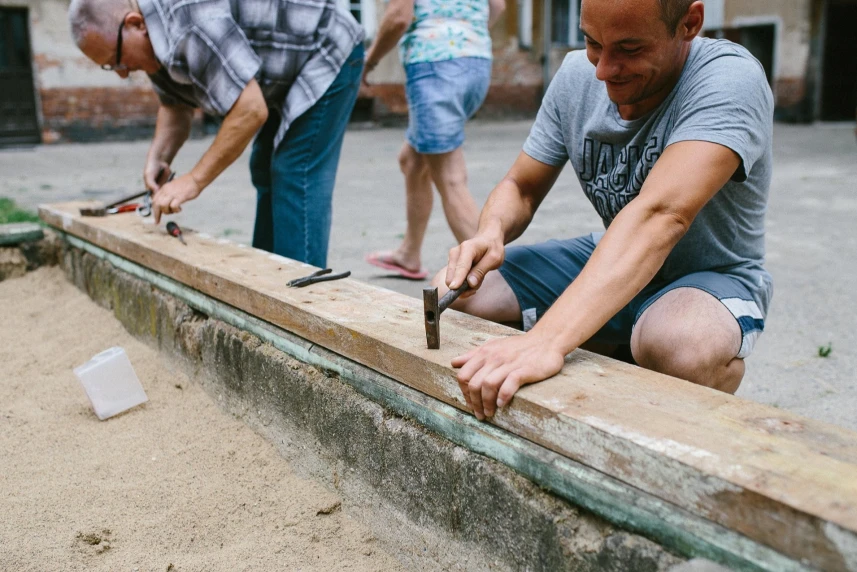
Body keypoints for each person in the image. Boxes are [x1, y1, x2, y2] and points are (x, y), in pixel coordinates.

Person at [436, 0, 775, 421]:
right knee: (458, 294)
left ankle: (685, 402)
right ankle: (614, 344)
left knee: (681, 344)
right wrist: (490, 232)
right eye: (593, 42)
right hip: (614, 255)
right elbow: (521, 187)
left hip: (712, 275)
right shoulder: (577, 74)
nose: (603, 69)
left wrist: (546, 341)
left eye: (630, 49)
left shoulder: (729, 79)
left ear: (689, 24)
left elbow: (661, 215)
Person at [68, 0, 365, 268]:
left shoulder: (191, 23)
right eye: (110, 68)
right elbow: (176, 106)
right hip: (278, 67)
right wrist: (158, 157)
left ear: (135, 24)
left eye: (117, 60)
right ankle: (268, 282)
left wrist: (193, 181)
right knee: (263, 167)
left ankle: (302, 304)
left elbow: (250, 111)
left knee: (293, 169)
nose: (122, 73)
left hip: (326, 45)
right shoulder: (151, 41)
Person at [363, 0, 506, 280]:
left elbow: (398, 17)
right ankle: (409, 254)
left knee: (450, 178)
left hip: (435, 65)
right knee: (412, 160)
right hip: (476, 62)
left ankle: (502, 280)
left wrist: (369, 61)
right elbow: (498, 6)